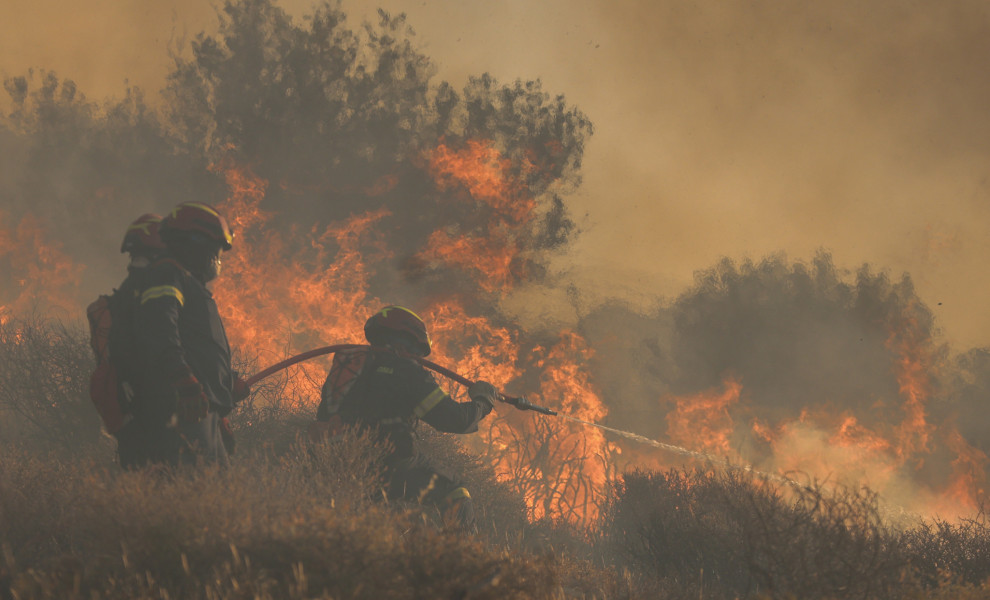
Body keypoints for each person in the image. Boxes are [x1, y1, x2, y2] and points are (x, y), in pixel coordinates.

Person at [313, 306, 499, 530]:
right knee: (455, 491)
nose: (417, 357)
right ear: (403, 342)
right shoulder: (407, 372)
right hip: (389, 464)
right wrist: (483, 401)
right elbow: (454, 419)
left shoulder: (348, 365)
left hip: (332, 460)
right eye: (415, 349)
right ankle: (459, 558)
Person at [118, 201, 248, 468]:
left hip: (200, 409)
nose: (217, 259)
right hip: (178, 409)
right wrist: (184, 381)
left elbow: (197, 348)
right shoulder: (167, 275)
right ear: (195, 243)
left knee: (215, 494)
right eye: (214, 250)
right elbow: (160, 331)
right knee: (191, 492)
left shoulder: (188, 284)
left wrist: (222, 392)